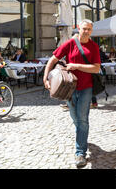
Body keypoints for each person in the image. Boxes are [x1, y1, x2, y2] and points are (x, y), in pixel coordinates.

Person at [43, 19, 101, 168]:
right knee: (75, 119)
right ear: (78, 29)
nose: (86, 31)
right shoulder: (70, 43)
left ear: (91, 31)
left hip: (86, 88)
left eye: (89, 29)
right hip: (69, 88)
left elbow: (95, 68)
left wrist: (77, 66)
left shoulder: (94, 47)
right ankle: (82, 136)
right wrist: (46, 77)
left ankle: (80, 153)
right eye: (84, 28)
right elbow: (52, 59)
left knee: (82, 119)